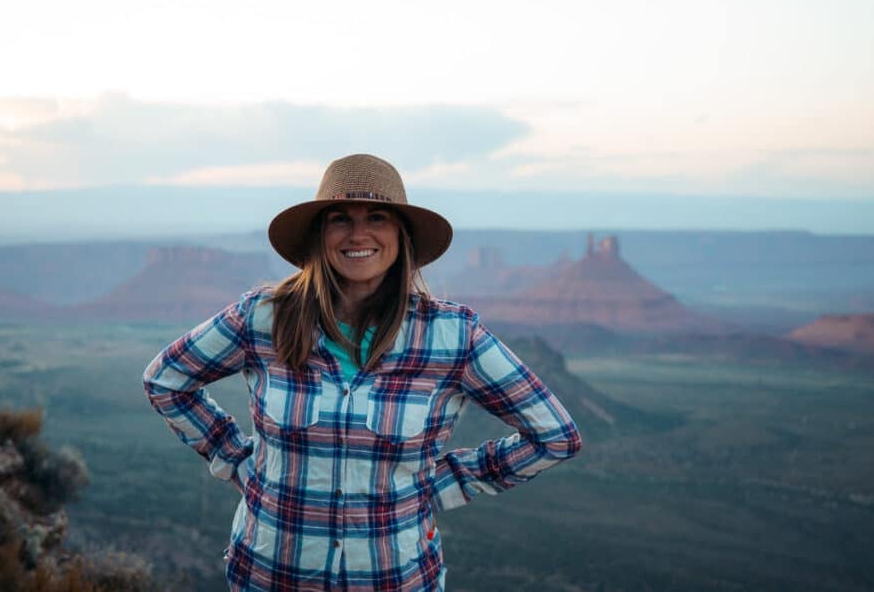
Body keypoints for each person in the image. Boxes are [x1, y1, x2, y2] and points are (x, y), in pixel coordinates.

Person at [143, 153, 582, 591]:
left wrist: (442, 484)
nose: (358, 234)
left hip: (395, 579)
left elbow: (554, 435)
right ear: (320, 235)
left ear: (400, 235)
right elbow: (166, 379)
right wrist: (240, 464)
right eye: (340, 219)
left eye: (377, 217)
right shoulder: (262, 318)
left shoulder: (452, 336)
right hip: (270, 576)